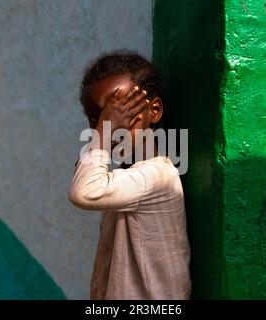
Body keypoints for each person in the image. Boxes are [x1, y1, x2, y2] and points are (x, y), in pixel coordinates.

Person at [69, 50, 191, 300]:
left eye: (118, 115)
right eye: (99, 119)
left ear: (153, 111)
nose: (111, 128)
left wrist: (104, 129)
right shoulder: (126, 177)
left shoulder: (158, 177)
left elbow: (84, 191)